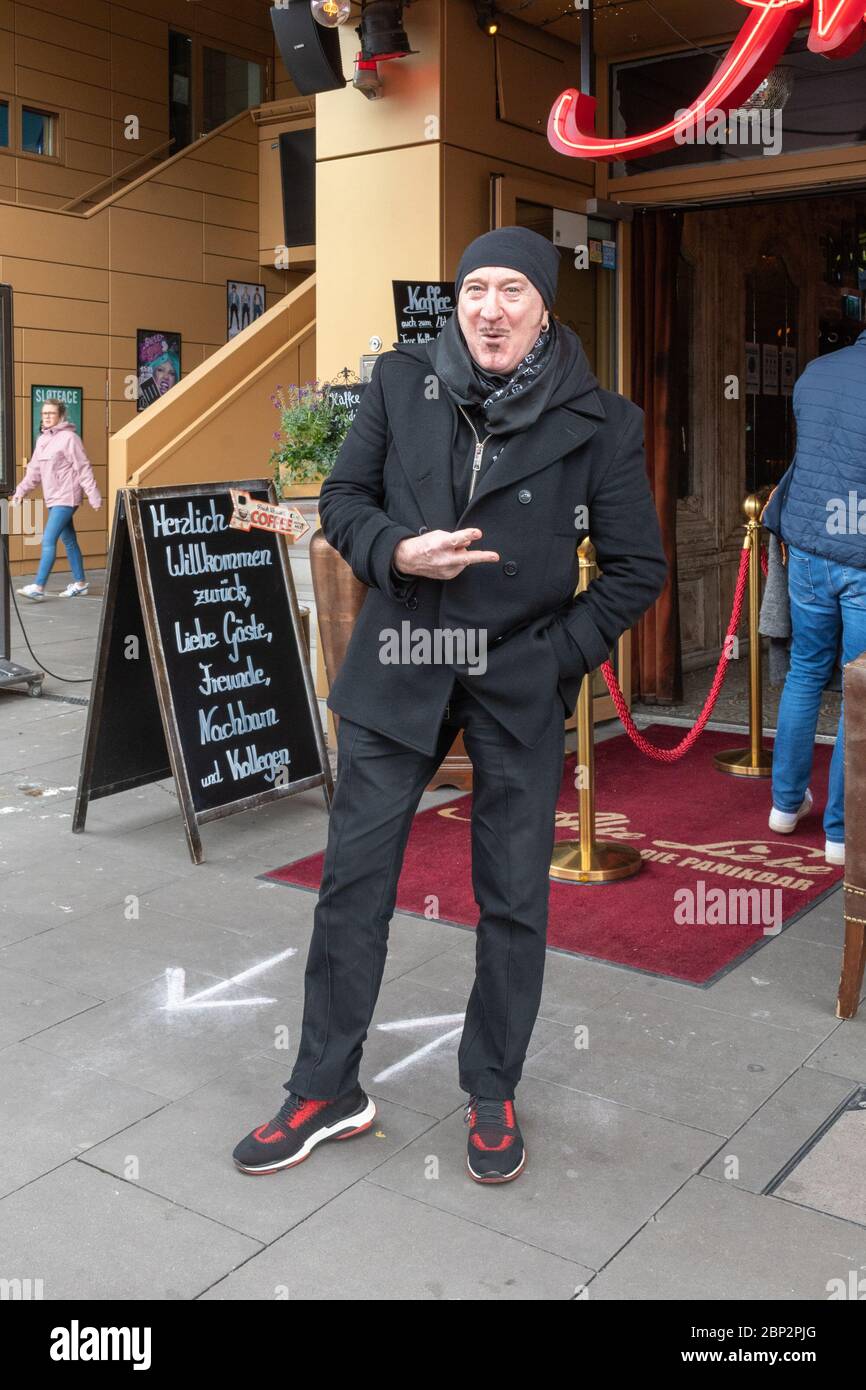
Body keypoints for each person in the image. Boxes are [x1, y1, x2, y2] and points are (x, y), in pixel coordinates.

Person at [232, 226, 668, 1184]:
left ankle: (492, 1087)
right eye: (476, 289)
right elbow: (342, 497)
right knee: (352, 882)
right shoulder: (400, 383)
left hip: (514, 677)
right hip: (401, 662)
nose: (490, 308)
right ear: (458, 302)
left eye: (513, 289)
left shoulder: (603, 421)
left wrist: (555, 658)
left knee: (512, 898)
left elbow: (639, 571)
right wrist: (393, 550)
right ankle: (325, 1090)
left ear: (544, 306)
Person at [768, 328, 866, 869]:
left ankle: (785, 805)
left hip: (807, 545)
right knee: (861, 691)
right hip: (861, 555)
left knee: (805, 671)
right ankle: (841, 831)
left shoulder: (816, 371)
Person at [11, 399, 102, 600]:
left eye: (51, 413)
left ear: (61, 416)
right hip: (53, 498)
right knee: (69, 540)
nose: (47, 417)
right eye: (44, 413)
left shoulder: (70, 438)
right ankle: (80, 583)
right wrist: (20, 491)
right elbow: (34, 471)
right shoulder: (42, 440)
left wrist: (93, 495)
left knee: (48, 539)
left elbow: (83, 467)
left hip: (67, 497)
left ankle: (38, 587)